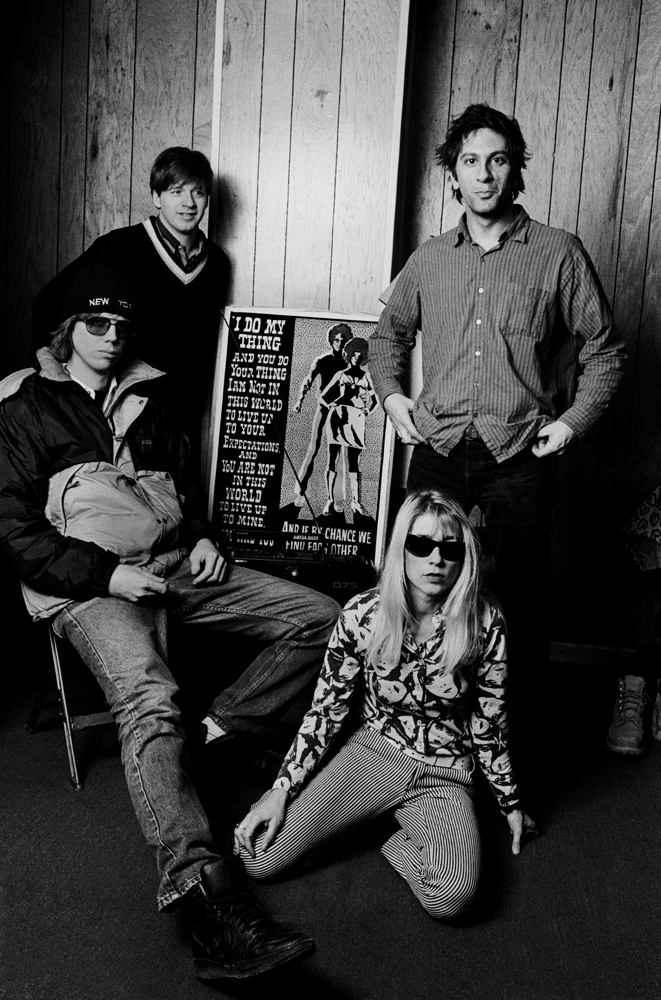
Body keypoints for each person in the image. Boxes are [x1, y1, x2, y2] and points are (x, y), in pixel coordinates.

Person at [0, 264, 341, 980]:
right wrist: (105, 575)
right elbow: (13, 532)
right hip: (90, 588)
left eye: (121, 326)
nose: (111, 337)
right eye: (97, 324)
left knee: (323, 618)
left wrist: (209, 536)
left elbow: (183, 492)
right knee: (149, 696)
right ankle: (204, 898)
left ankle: (213, 733)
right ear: (67, 330)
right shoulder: (24, 404)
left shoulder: (151, 398)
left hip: (176, 565)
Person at [369, 104, 626, 673]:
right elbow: (385, 341)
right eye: (470, 161)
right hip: (438, 449)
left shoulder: (559, 253)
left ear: (515, 171)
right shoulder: (431, 258)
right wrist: (392, 398)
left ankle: (516, 742)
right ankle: (410, 734)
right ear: (454, 175)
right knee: (417, 592)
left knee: (521, 604)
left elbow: (606, 352)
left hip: (520, 454)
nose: (484, 174)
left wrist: (570, 423)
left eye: (498, 160)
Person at [233, 490, 536, 920]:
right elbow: (326, 711)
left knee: (451, 897)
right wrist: (282, 789)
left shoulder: (486, 621)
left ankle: (387, 829)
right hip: (374, 750)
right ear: (402, 549)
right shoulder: (363, 615)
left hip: (444, 769)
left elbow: (489, 722)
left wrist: (510, 803)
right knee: (257, 857)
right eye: (421, 545)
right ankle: (362, 807)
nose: (436, 560)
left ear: (463, 555)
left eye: (450, 549)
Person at [32, 146, 229, 451]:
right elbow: (48, 305)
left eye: (198, 192)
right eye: (177, 191)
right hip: (126, 410)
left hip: (182, 417)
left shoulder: (216, 263)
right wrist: (66, 383)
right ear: (156, 197)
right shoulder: (119, 247)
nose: (188, 203)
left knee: (172, 496)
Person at [292, 322, 353, 506]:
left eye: (343, 340)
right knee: (313, 449)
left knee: (338, 455)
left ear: (347, 342)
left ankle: (337, 499)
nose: (339, 342)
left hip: (340, 412)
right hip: (323, 408)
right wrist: (299, 401)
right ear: (331, 341)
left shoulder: (349, 364)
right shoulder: (322, 360)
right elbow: (308, 380)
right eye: (336, 339)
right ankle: (301, 493)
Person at [320, 336, 377, 517]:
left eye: (360, 355)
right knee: (332, 459)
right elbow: (323, 396)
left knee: (354, 462)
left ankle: (356, 501)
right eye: (354, 354)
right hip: (338, 417)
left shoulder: (367, 377)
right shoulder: (340, 375)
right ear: (349, 354)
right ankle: (329, 499)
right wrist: (331, 406)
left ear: (364, 358)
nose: (357, 357)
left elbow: (376, 400)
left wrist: (368, 411)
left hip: (357, 419)